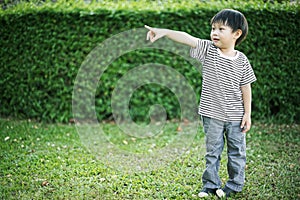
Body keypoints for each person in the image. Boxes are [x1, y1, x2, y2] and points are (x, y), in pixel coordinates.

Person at [145, 9, 256, 198]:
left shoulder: (242, 61)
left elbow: (246, 87)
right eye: (213, 28)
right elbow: (186, 38)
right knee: (212, 152)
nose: (214, 32)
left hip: (236, 116)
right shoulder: (208, 50)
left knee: (237, 152)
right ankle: (211, 185)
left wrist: (247, 114)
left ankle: (234, 185)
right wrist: (164, 31)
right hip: (212, 115)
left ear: (237, 34)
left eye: (221, 29)